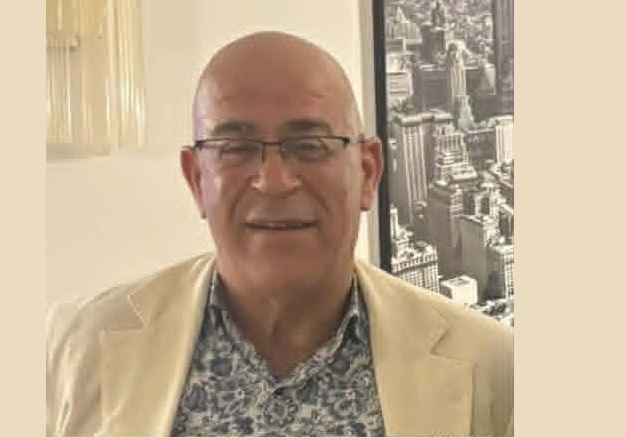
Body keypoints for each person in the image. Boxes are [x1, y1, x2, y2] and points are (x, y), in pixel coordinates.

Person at [46, 31, 513, 437]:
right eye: (236, 148)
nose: (274, 181)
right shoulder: (74, 348)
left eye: (309, 146)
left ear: (368, 173)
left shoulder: (492, 368)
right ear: (196, 180)